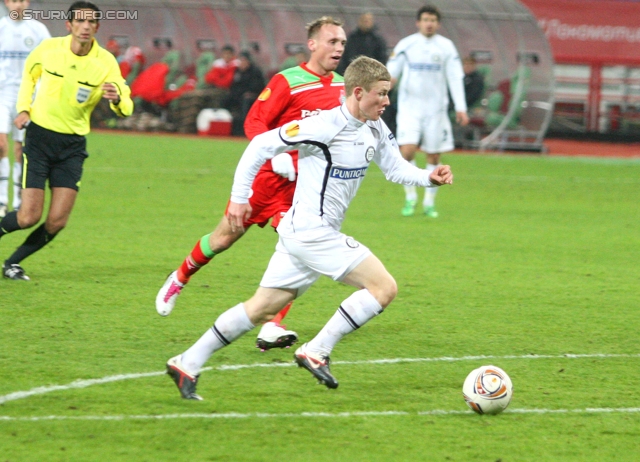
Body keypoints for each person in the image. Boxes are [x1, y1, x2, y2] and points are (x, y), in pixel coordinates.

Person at [165, 56, 454, 400]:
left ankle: (187, 361)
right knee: (383, 288)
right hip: (312, 232)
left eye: (388, 94)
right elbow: (260, 145)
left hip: (303, 235)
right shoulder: (323, 125)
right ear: (358, 92)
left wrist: (428, 177)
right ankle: (316, 350)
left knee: (261, 308)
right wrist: (239, 198)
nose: (387, 101)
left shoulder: (375, 126)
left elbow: (394, 168)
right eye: (381, 94)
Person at [156, 16, 347, 352]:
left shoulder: (343, 86)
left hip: (304, 188)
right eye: (332, 41)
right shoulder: (288, 80)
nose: (339, 48)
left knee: (299, 251)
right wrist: (277, 158)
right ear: (313, 44)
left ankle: (273, 325)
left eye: (342, 43)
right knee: (223, 237)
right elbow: (255, 121)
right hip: (268, 179)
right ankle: (180, 278)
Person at [0, 1, 133, 280]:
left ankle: (12, 263)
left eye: (91, 22)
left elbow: (125, 99)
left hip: (72, 146)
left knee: (57, 221)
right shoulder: (49, 50)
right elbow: (29, 77)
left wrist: (119, 100)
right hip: (39, 139)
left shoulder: (105, 62)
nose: (85, 27)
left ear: (97, 27)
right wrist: (24, 108)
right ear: (69, 25)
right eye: (80, 22)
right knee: (28, 217)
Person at [387, 5, 468, 218]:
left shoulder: (446, 47)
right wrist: (382, 94)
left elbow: (454, 77)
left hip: (436, 111)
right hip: (409, 109)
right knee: (407, 152)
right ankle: (410, 197)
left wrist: (461, 107)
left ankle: (429, 202)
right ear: (418, 22)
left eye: (433, 20)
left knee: (433, 156)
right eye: (425, 19)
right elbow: (391, 74)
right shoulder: (407, 45)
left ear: (438, 23)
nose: (429, 23)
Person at [0, 0, 50, 218]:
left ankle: (19, 200)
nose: (17, 5)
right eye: (13, 1)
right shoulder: (1, 27)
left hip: (27, 97)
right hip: (3, 94)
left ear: (27, 3)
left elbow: (48, 62)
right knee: (1, 144)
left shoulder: (38, 30)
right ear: (6, 3)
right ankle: (1, 200)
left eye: (21, 0)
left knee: (21, 149)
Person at [222, 51, 266, 136]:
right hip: (238, 95)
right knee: (224, 100)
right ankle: (225, 125)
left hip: (252, 97)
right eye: (240, 61)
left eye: (244, 61)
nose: (242, 63)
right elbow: (234, 85)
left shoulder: (255, 71)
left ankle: (244, 129)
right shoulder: (237, 71)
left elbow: (258, 87)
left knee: (246, 101)